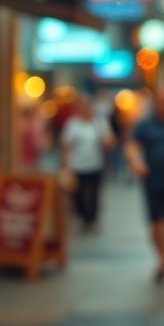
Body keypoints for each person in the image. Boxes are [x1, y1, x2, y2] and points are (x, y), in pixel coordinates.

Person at [125, 85, 164, 283]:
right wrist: (137, 163)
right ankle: (161, 256)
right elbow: (132, 145)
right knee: (155, 221)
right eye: (161, 101)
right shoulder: (145, 124)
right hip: (152, 178)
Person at [60, 95, 115, 232]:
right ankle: (83, 215)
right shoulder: (72, 124)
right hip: (77, 165)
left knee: (94, 192)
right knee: (79, 192)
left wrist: (107, 140)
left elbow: (110, 140)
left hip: (96, 164)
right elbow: (67, 146)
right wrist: (67, 166)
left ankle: (92, 218)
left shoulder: (98, 123)